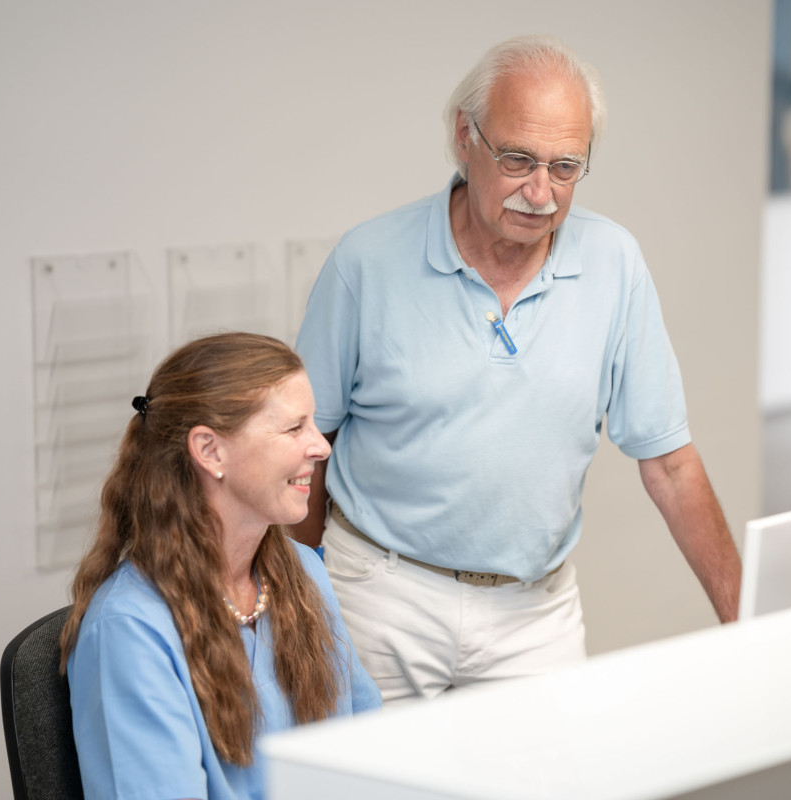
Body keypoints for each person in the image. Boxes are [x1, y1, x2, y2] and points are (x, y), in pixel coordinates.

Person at [293, 35, 741, 703]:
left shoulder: (615, 264)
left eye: (566, 166)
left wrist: (747, 621)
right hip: (381, 593)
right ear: (464, 136)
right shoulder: (366, 263)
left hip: (535, 610)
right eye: (518, 159)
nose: (541, 192)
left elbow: (671, 464)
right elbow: (305, 450)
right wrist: (303, 599)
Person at [60, 332, 381, 800]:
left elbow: (365, 748)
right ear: (209, 450)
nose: (321, 447)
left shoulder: (300, 569)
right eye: (294, 428)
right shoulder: (130, 629)